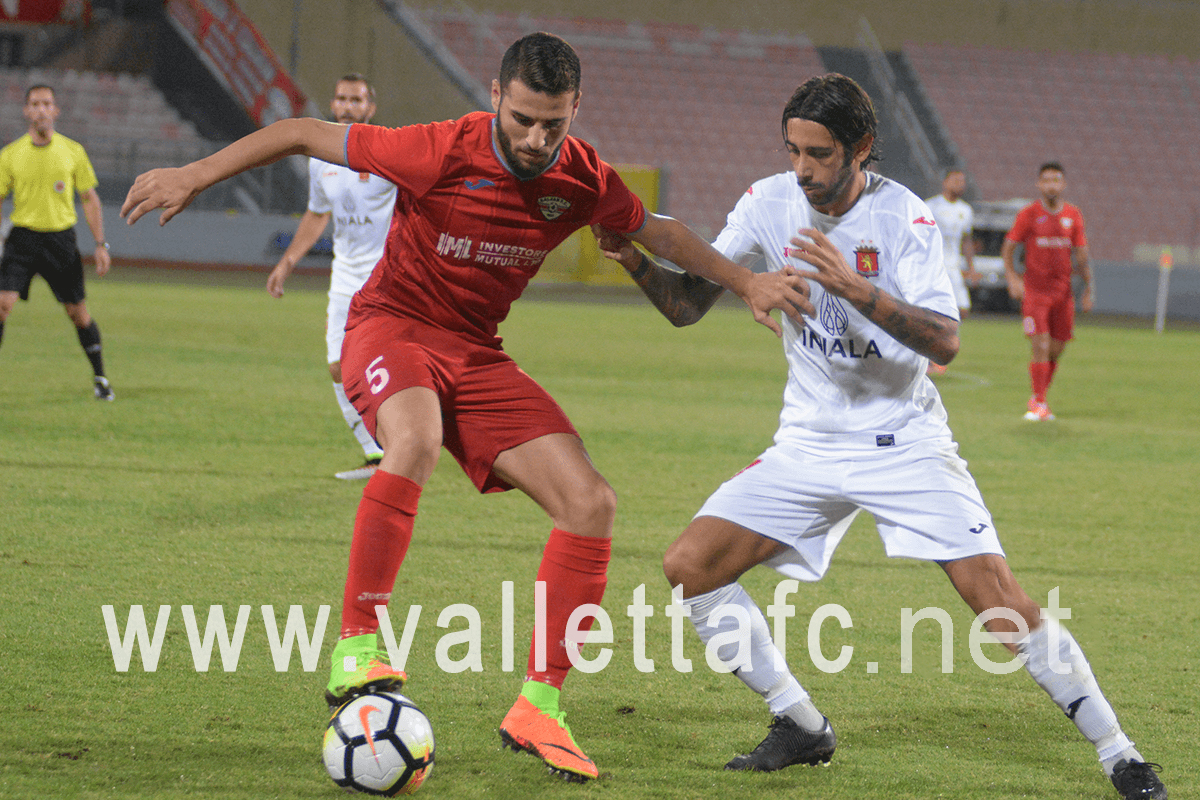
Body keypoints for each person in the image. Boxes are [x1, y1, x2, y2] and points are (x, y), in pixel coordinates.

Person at [121, 32, 809, 783]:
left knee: (591, 502)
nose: (537, 139)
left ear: (575, 109)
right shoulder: (438, 149)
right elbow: (298, 132)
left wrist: (745, 283)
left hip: (476, 352)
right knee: (411, 440)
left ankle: (540, 705)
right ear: (495, 97)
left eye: (554, 123)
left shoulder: (580, 178)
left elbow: (661, 231)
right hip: (391, 328)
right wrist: (194, 173)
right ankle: (358, 642)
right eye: (522, 119)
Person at [599, 74, 1166, 800]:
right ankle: (800, 723)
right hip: (807, 443)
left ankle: (1120, 754)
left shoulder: (907, 219)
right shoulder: (767, 201)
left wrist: (855, 288)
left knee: (997, 601)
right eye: (793, 150)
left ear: (860, 149)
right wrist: (636, 262)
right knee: (691, 565)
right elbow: (686, 306)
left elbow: (947, 341)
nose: (801, 168)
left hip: (904, 441)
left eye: (819, 152)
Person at [267, 74, 394, 480]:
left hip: (388, 275)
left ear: (370, 108)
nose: (348, 105)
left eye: (357, 99)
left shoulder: (389, 152)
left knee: (388, 362)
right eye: (341, 98)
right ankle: (375, 455)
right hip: (344, 276)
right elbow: (318, 214)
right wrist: (288, 262)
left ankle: (402, 447)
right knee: (337, 365)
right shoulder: (321, 157)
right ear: (333, 104)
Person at [0, 84, 113, 399]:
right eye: (34, 103)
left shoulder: (72, 151)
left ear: (55, 110)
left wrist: (101, 243)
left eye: (46, 103)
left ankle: (101, 379)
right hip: (22, 239)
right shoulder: (10, 155)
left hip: (60, 241)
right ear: (26, 111)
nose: (40, 109)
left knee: (77, 313)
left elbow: (89, 199)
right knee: (1, 304)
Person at [1001, 162, 1093, 422]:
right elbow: (1009, 248)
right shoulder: (1029, 214)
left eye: (1056, 179)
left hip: (1063, 294)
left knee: (1056, 349)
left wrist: (1088, 289)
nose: (1051, 184)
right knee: (1040, 345)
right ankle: (1039, 403)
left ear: (1063, 184)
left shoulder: (1073, 215)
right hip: (1036, 293)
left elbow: (1082, 255)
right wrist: (1012, 277)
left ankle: (1039, 396)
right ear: (1039, 185)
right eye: (1047, 180)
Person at [924, 168, 978, 375]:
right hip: (935, 265)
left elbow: (967, 240)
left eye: (962, 181)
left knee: (962, 310)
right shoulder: (932, 206)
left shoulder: (966, 210)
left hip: (954, 267)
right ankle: (931, 355)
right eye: (955, 180)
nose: (959, 184)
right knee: (935, 310)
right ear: (945, 182)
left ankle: (936, 348)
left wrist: (970, 268)